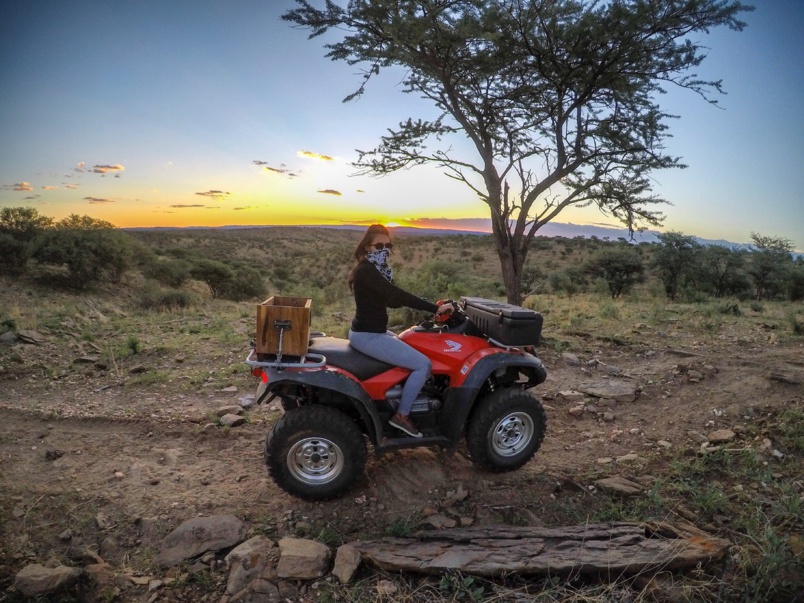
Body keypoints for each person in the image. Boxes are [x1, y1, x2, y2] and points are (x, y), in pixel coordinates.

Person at [347, 224, 453, 438]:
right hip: (368, 336)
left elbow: (391, 300)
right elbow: (396, 294)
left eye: (388, 245)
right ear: (368, 247)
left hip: (372, 331)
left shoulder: (377, 269)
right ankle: (402, 416)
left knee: (413, 345)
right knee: (423, 365)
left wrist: (428, 308)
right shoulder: (366, 270)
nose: (384, 249)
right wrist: (434, 307)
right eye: (379, 245)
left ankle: (406, 399)